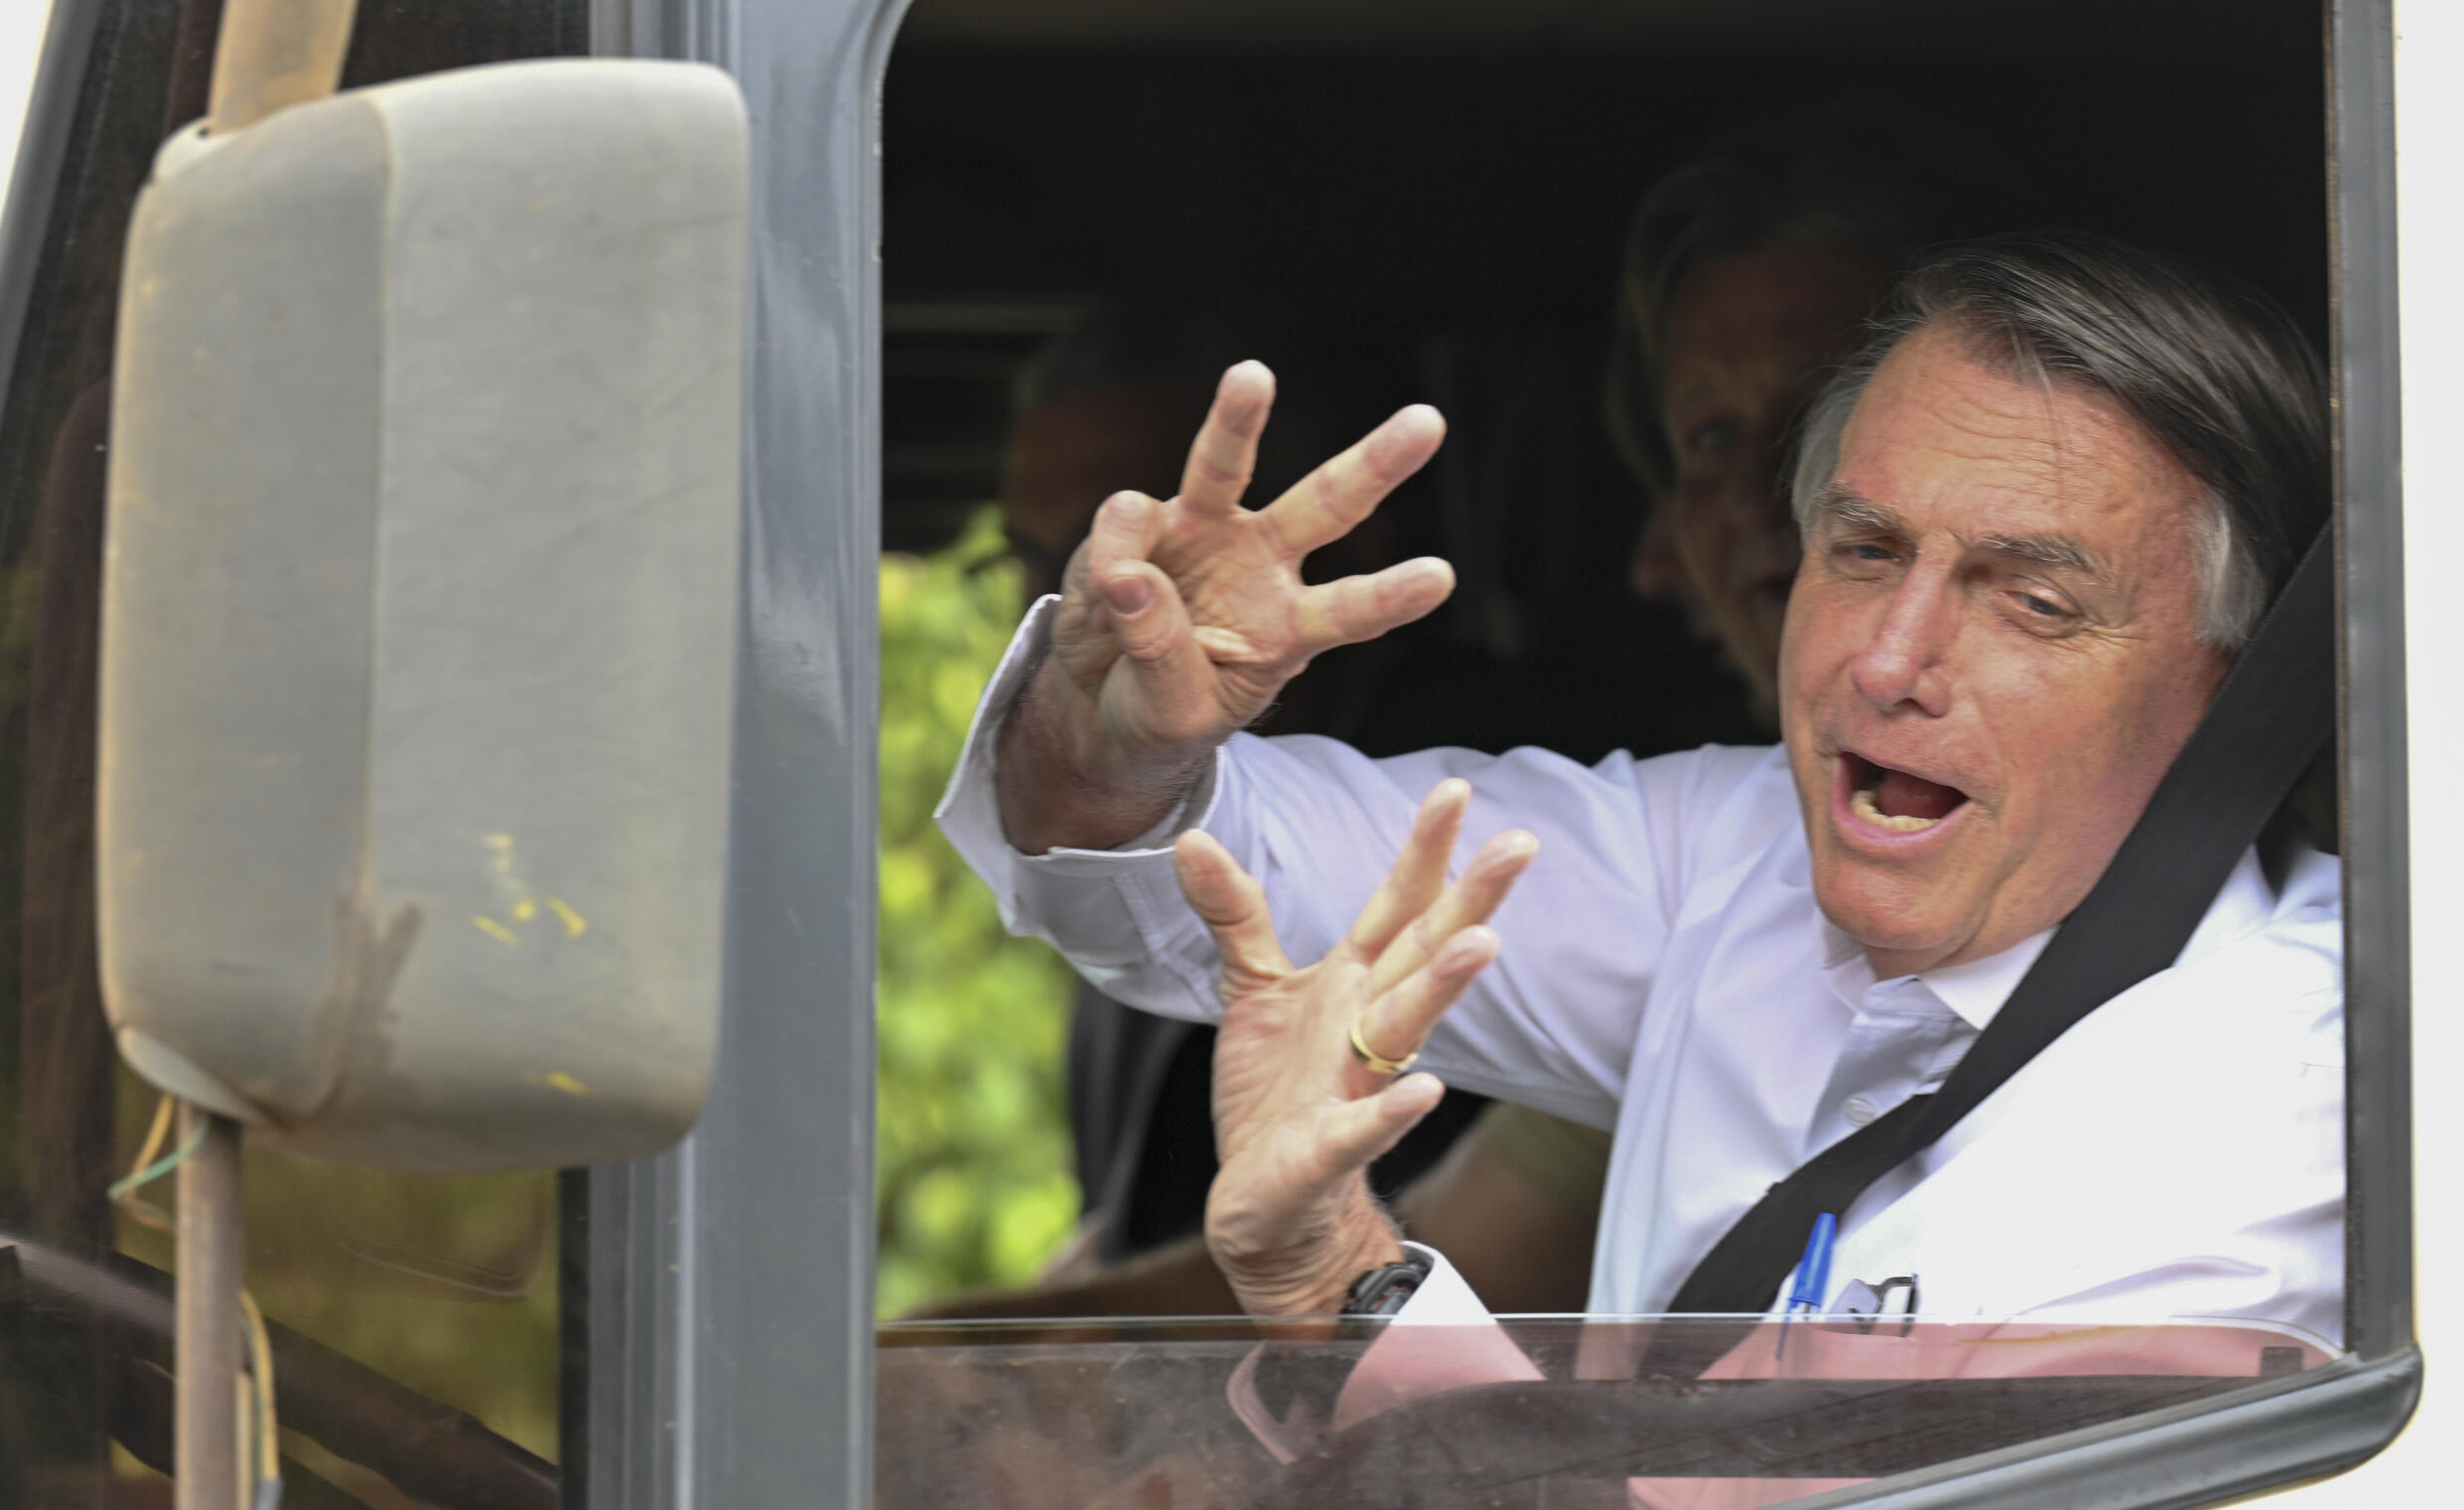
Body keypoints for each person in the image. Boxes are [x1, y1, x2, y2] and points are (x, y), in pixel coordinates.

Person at [935, 228, 2337, 1394]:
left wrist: (1349, 1287)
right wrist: (1110, 737)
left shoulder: (2278, 1109)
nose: (1889, 660)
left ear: (2233, 690)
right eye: (1864, 551)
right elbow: (1198, 873)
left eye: (2032, 600)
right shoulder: (1733, 854)